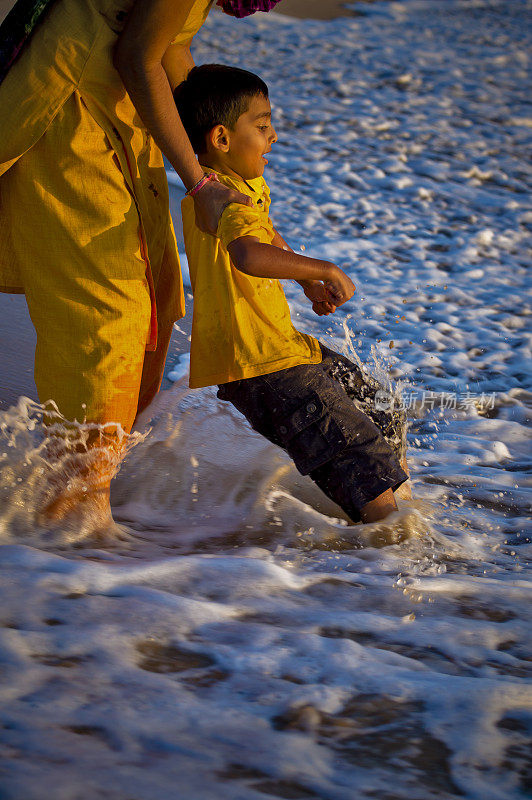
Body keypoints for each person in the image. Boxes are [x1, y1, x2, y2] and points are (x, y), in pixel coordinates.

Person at [0, 0, 283, 535]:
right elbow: (137, 55)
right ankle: (70, 522)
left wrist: (216, 151)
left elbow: (169, 45)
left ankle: (84, 499)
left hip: (126, 110)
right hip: (72, 103)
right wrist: (199, 183)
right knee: (108, 314)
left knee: (156, 304)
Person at [175, 64, 410, 523]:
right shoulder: (224, 198)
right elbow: (247, 254)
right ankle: (388, 545)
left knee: (382, 411)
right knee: (353, 449)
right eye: (262, 127)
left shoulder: (244, 186)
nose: (274, 136)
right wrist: (323, 267)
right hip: (260, 361)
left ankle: (392, 512)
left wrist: (304, 281)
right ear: (221, 139)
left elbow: (265, 236)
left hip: (280, 348)